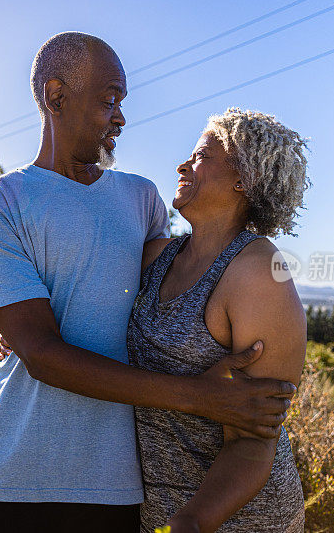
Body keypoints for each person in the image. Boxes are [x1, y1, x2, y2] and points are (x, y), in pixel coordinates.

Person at [0, 32, 296, 533]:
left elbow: (175, 288)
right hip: (6, 475)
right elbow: (42, 353)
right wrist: (199, 395)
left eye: (122, 103)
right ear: (57, 96)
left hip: (113, 485)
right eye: (109, 100)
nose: (121, 117)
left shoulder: (141, 199)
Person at [129, 108, 309, 533]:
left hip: (237, 521)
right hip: (159, 513)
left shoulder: (257, 272)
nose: (182, 165)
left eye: (202, 156)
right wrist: (15, 331)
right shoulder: (157, 257)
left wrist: (191, 521)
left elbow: (253, 439)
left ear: (242, 179)